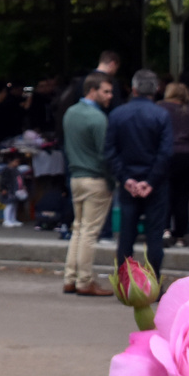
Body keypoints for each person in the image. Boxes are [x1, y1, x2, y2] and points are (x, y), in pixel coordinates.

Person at [105, 68, 173, 273]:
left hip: (129, 183)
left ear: (133, 89)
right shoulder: (161, 115)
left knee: (126, 235)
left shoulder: (117, 115)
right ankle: (153, 283)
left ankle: (125, 282)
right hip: (155, 184)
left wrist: (125, 179)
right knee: (155, 236)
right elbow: (166, 153)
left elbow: (109, 151)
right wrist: (151, 181)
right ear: (156, 89)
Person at [61, 72, 116, 295]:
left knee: (78, 229)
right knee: (90, 232)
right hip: (96, 179)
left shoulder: (70, 113)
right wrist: (113, 180)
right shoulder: (98, 119)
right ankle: (84, 280)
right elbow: (105, 155)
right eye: (106, 91)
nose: (110, 96)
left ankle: (70, 277)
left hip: (76, 177)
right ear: (92, 90)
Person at [160, 82, 189, 246]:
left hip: (168, 154)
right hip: (188, 155)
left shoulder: (161, 108)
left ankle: (165, 230)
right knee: (183, 196)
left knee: (165, 193)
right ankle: (180, 236)